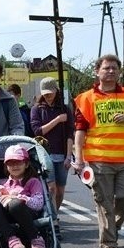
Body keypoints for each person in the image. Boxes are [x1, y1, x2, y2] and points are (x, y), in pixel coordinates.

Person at [73, 54, 124, 248]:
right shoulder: (86, 98)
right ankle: (108, 243)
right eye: (106, 68)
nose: (111, 71)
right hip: (99, 160)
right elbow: (80, 131)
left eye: (115, 68)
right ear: (97, 71)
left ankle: (111, 227)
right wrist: (78, 159)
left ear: (120, 72)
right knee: (104, 202)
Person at [30, 76, 74, 235]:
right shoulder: (37, 109)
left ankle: (52, 213)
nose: (48, 95)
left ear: (56, 91)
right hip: (44, 155)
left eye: (51, 92)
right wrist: (57, 120)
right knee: (51, 188)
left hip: (62, 154)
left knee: (60, 191)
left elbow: (70, 133)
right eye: (45, 93)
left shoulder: (65, 109)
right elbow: (38, 131)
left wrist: (69, 156)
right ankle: (53, 221)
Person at [0, 145, 46, 248]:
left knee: (15, 204)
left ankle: (35, 238)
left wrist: (19, 197)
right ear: (6, 166)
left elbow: (38, 204)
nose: (14, 166)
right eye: (11, 163)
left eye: (18, 162)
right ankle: (12, 240)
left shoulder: (33, 182)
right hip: (6, 217)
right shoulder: (2, 183)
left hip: (26, 213)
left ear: (26, 164)